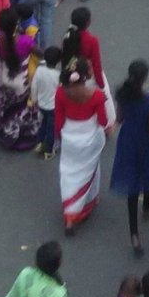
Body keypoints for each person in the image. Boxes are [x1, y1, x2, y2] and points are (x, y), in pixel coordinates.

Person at [110, 59, 149, 255]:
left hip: (128, 141)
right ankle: (147, 205)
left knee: (132, 185)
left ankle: (134, 234)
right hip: (146, 142)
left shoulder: (123, 95)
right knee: (148, 173)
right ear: (144, 78)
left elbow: (119, 118)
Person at [56, 57, 109, 234]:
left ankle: (70, 217)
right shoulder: (96, 96)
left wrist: (60, 137)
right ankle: (87, 203)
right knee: (89, 172)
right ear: (84, 76)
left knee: (69, 174)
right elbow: (103, 121)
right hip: (89, 139)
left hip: (70, 139)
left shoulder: (60, 93)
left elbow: (58, 120)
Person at [0, 8, 41, 150]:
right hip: (22, 83)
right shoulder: (25, 41)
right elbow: (40, 53)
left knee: (9, 109)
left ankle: (7, 135)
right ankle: (24, 138)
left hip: (4, 79)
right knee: (25, 110)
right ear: (16, 24)